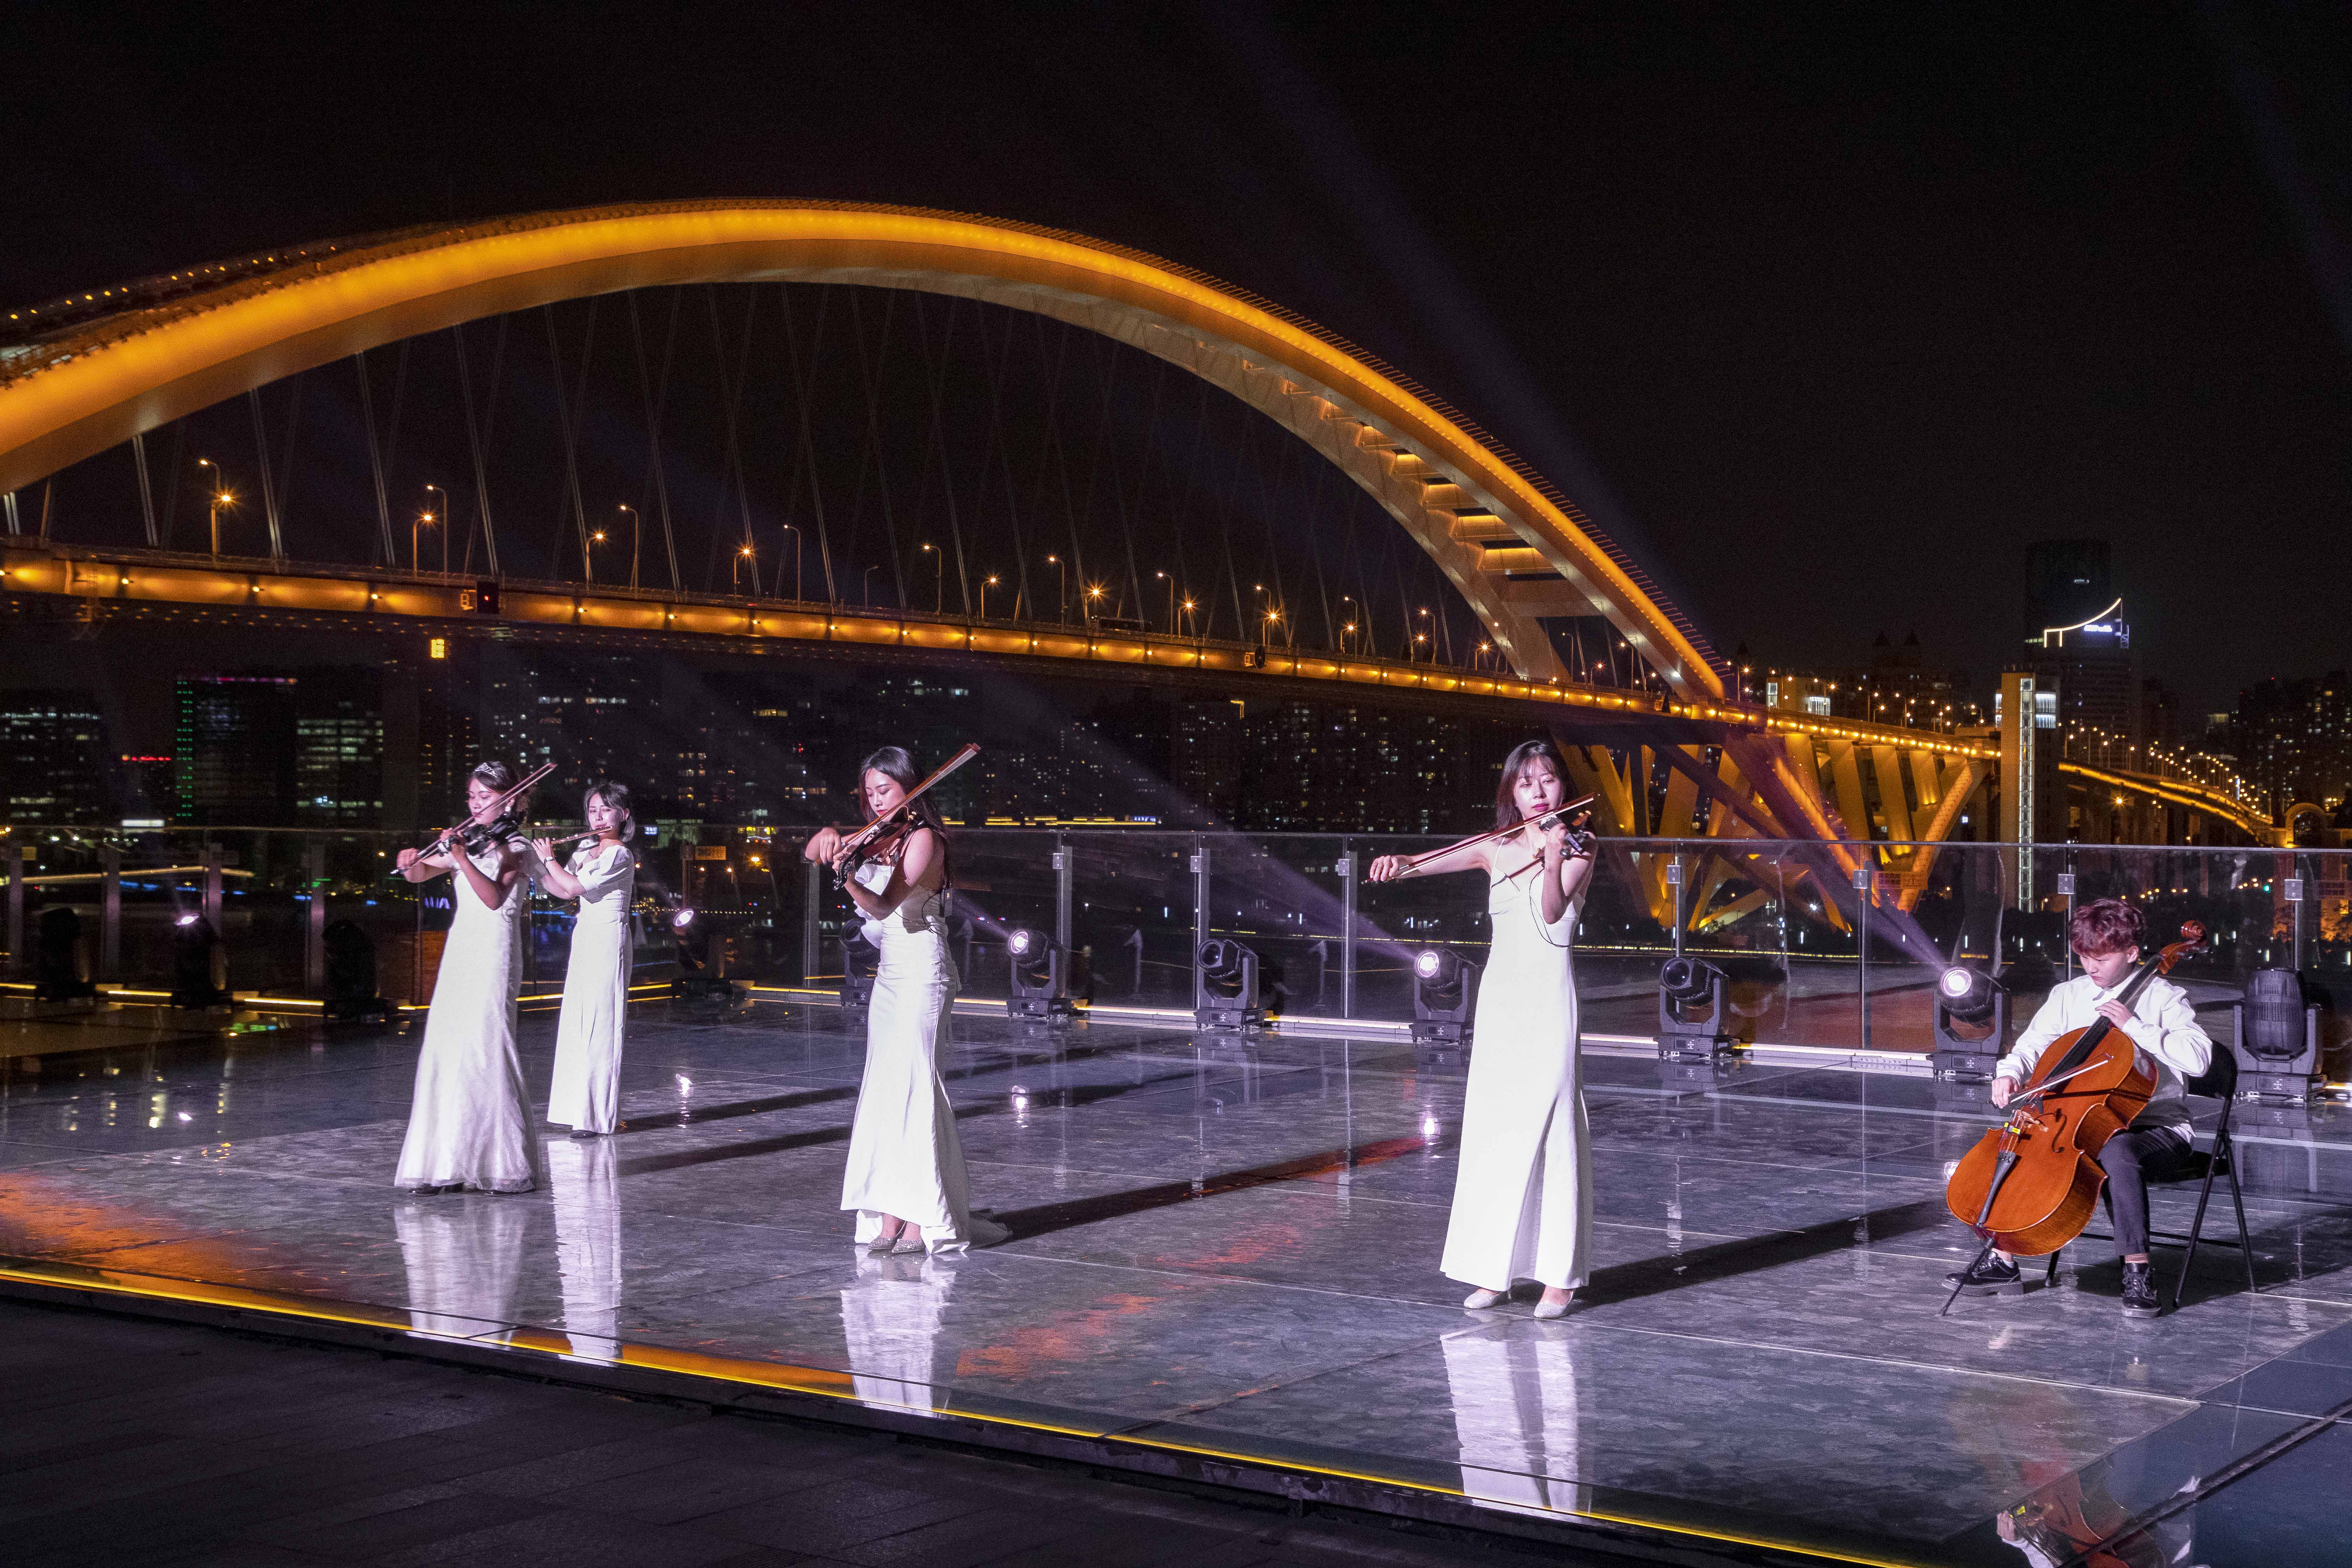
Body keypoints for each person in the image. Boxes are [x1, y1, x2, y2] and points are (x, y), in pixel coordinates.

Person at [1368, 738, 1597, 1318]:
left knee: (1554, 1128)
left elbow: (1550, 913)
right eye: (1526, 783)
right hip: (1502, 999)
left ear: (1563, 787)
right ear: (1512, 793)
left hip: (1548, 998)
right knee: (1496, 1133)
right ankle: (1494, 1270)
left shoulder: (1581, 843)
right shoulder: (1495, 847)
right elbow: (1432, 861)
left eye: (1547, 780)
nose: (1538, 791)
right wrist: (1400, 866)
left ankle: (1558, 1279)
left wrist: (1550, 856)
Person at [1945, 897, 2214, 1318]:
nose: (2091, 967)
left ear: (2130, 954)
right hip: (2076, 1118)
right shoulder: (2068, 995)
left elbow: (2199, 1059)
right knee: (2028, 1147)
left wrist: (2135, 1026)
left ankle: (2139, 1271)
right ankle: (2003, 1259)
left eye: (2101, 958)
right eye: (2084, 957)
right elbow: (2033, 1044)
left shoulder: (2164, 996)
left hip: (2155, 1126)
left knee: (2116, 1152)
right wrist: (2010, 1071)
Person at [803, 747, 976, 1254]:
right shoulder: (876, 838)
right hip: (891, 976)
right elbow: (810, 851)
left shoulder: (923, 838)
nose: (877, 801)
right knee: (886, 1092)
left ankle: (923, 1219)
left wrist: (847, 877)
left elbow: (884, 904)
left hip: (924, 970)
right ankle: (890, 1216)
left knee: (916, 1089)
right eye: (870, 793)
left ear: (909, 788)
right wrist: (827, 839)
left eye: (886, 790)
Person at [392, 761, 539, 1195]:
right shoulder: (469, 841)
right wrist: (409, 863)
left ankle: (502, 1164)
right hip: (461, 950)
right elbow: (422, 872)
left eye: (484, 797)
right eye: (472, 797)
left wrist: (459, 856)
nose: (475, 805)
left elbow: (494, 898)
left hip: (495, 951)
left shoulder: (516, 845)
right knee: (448, 1046)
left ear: (509, 799)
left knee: (486, 1047)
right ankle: (444, 1162)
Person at [524, 780, 638, 1138]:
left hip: (608, 938)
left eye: (606, 809)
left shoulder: (619, 854)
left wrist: (547, 859)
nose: (599, 816)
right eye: (593, 809)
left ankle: (596, 1115)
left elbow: (574, 887)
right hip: (586, 936)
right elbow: (560, 889)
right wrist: (534, 866)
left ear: (623, 815)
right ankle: (575, 1110)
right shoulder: (586, 850)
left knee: (603, 1023)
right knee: (578, 1018)